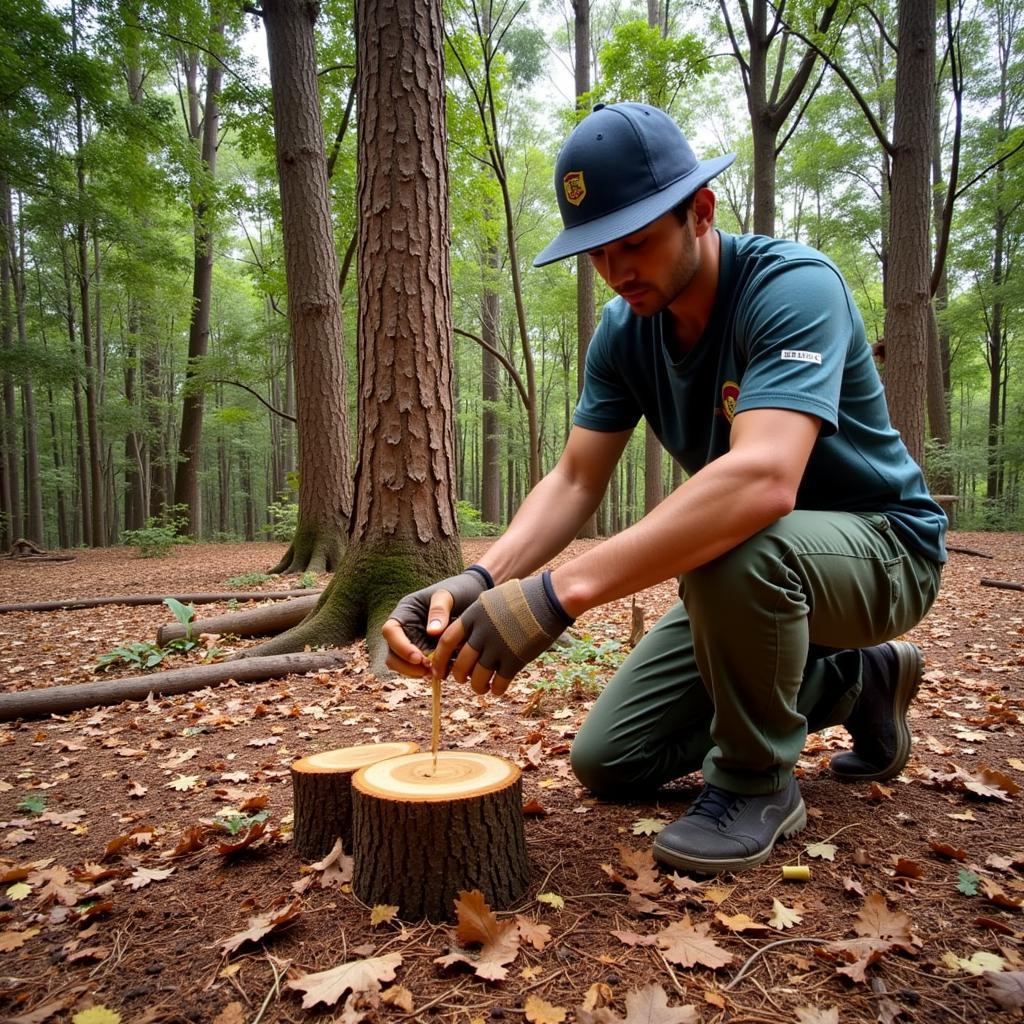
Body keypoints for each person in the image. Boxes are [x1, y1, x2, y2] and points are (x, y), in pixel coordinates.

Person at [382, 102, 946, 875]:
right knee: (612, 759)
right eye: (597, 254)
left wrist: (557, 595)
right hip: (763, 576)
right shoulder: (623, 332)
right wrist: (484, 578)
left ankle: (757, 784)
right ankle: (855, 680)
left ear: (701, 212)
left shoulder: (791, 288)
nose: (617, 272)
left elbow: (763, 479)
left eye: (636, 243)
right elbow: (576, 478)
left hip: (882, 551)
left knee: (733, 544)